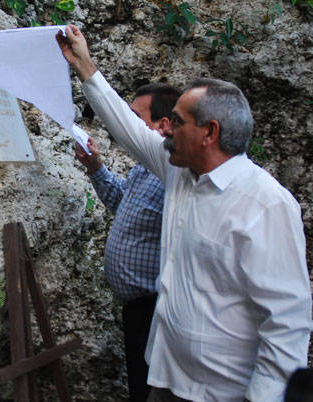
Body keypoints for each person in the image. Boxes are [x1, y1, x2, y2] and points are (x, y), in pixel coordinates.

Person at [57, 25, 312, 402]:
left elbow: (286, 320)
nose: (166, 130)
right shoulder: (178, 170)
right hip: (166, 377)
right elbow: (129, 129)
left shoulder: (264, 204)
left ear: (209, 132)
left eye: (177, 122)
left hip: (223, 392)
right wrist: (85, 66)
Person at [75, 83, 181, 402]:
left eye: (135, 117)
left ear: (163, 125)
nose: (129, 125)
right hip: (137, 312)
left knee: (156, 392)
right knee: (141, 389)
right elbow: (121, 200)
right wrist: (96, 168)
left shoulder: (176, 176)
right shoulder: (146, 168)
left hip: (157, 310)